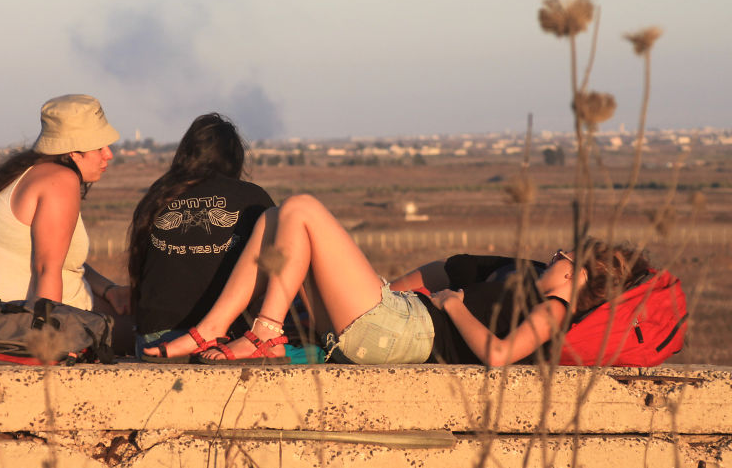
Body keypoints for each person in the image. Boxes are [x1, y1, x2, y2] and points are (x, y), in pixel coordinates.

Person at [144, 194, 650, 366]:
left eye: (563, 255)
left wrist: (453, 307)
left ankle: (264, 333)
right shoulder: (525, 273)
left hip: (407, 330)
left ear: (578, 273)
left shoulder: (555, 311)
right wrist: (382, 286)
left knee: (301, 208)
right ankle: (214, 328)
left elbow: (499, 355)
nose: (554, 255)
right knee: (277, 216)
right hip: (396, 316)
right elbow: (448, 268)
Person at [0, 94, 133, 353]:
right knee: (159, 330)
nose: (108, 154)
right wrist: (48, 348)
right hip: (17, 329)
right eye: (99, 147)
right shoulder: (60, 181)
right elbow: (46, 270)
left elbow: (58, 257)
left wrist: (109, 290)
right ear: (73, 151)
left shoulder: (28, 173)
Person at [128, 113, 275, 361]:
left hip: (155, 339)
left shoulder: (157, 196)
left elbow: (141, 273)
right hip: (224, 338)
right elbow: (277, 270)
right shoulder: (252, 198)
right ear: (235, 158)